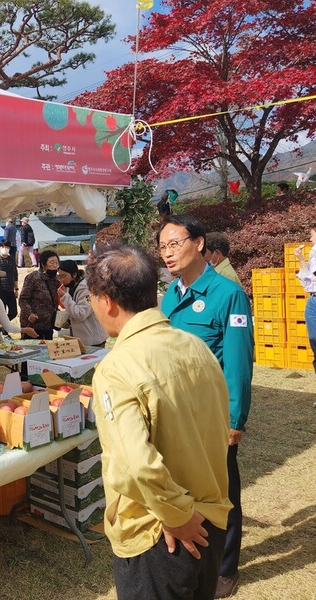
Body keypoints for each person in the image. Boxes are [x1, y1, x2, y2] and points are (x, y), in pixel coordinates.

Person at [86, 244, 232, 600]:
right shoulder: (195, 346)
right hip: (208, 520)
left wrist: (177, 514)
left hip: (160, 532)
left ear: (106, 301)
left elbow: (137, 464)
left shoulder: (117, 367)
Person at [158, 214, 253, 598]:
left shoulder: (228, 294)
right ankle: (191, 555)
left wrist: (235, 418)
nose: (168, 253)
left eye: (175, 243)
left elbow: (238, 362)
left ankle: (225, 568)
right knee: (183, 487)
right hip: (174, 412)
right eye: (162, 247)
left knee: (222, 492)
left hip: (211, 417)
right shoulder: (170, 295)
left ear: (198, 243)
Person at [57, 259, 107, 346]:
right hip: (81, 340)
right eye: (60, 276)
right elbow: (73, 307)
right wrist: (66, 320)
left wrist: (64, 297)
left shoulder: (87, 289)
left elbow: (80, 314)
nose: (62, 280)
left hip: (93, 341)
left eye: (64, 276)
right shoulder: (71, 286)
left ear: (74, 274)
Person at [19, 250, 60, 340]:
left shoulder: (57, 279)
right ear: (43, 264)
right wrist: (30, 314)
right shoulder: (32, 278)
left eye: (56, 263)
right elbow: (23, 299)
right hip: (33, 324)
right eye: (51, 263)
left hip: (49, 324)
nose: (54, 265)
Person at [293, 226, 316, 373]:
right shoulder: (313, 252)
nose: (310, 239)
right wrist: (301, 259)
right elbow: (308, 283)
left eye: (312, 235)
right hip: (313, 300)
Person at [0, 240, 19, 320]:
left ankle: (4, 326)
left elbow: (15, 274)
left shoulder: (11, 259)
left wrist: (16, 289)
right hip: (0, 290)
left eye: (7, 247)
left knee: (13, 312)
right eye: (3, 247)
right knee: (1, 311)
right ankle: (3, 328)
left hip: (10, 290)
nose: (5, 249)